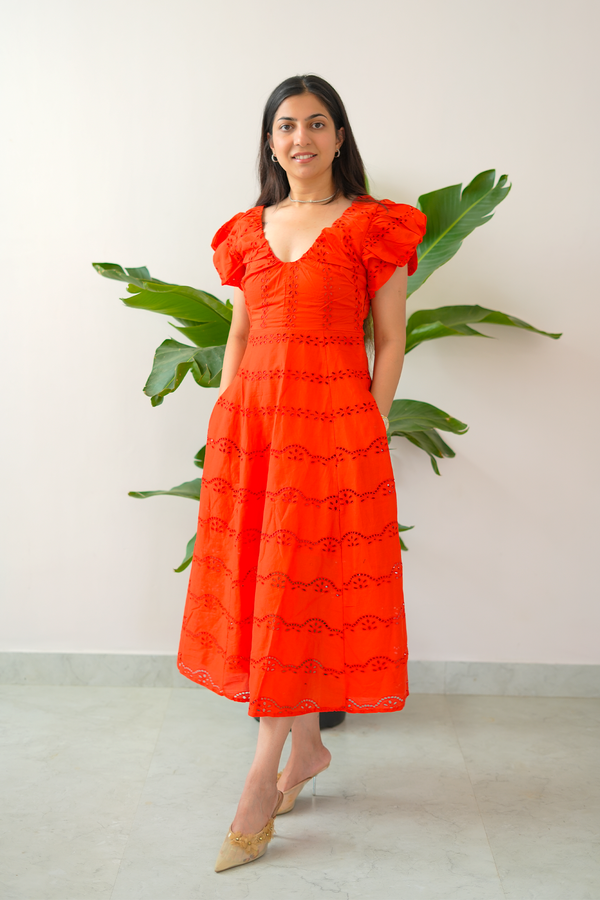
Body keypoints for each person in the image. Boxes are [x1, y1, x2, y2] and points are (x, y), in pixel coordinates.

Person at [177, 74, 427, 872]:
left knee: (297, 587)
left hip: (333, 433)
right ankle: (307, 751)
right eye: (286, 126)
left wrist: (370, 419)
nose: (301, 139)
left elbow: (389, 342)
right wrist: (225, 413)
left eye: (318, 124)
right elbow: (242, 336)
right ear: (270, 140)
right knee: (274, 587)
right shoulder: (246, 232)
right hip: (252, 433)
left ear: (340, 137)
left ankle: (259, 784)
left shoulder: (373, 227)